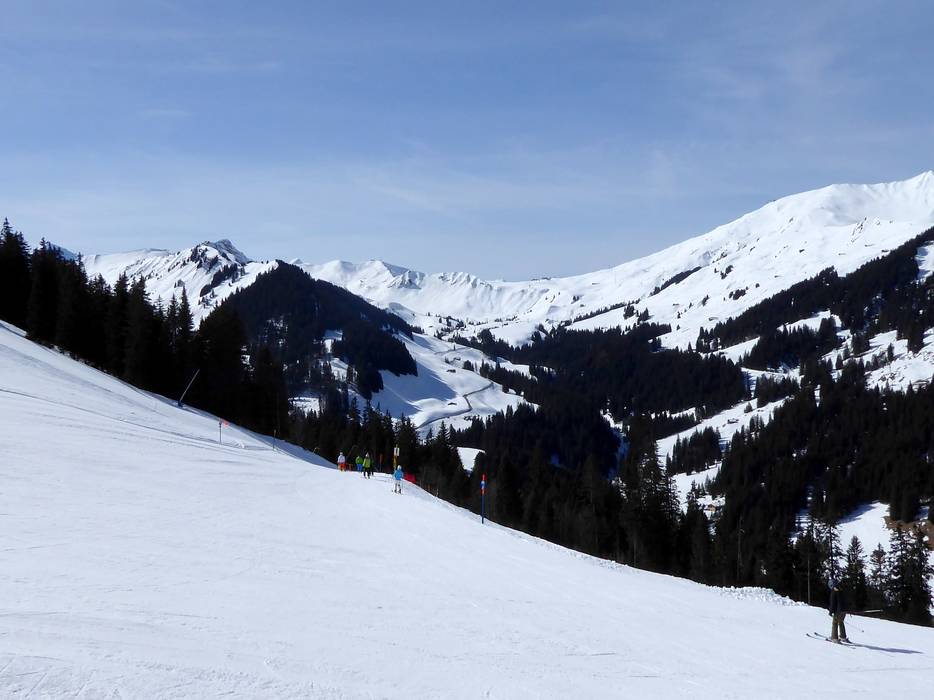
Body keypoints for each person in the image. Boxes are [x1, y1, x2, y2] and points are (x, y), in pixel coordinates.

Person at [828, 579, 849, 643]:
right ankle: (843, 637)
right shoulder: (841, 590)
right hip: (844, 610)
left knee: (835, 623)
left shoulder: (834, 591)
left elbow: (833, 603)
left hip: (838, 611)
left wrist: (831, 612)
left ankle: (834, 638)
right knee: (841, 622)